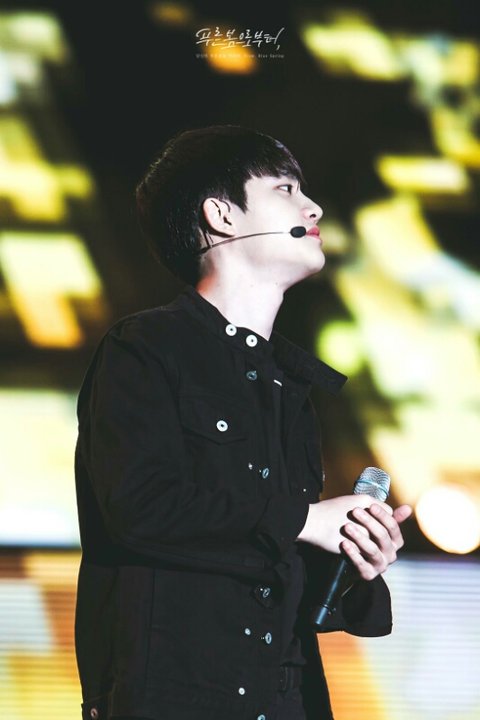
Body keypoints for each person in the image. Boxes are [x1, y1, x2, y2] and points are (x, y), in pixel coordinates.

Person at [74, 125, 412, 720]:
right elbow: (139, 506)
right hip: (176, 697)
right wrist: (304, 519)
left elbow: (269, 559)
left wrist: (354, 556)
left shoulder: (290, 385)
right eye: (286, 189)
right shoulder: (145, 348)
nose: (313, 207)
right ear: (222, 215)